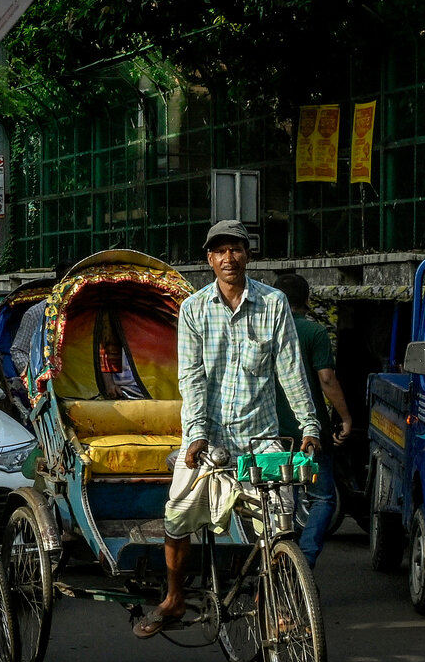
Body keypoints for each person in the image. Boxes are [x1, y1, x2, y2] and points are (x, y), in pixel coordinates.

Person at [134, 220, 321, 638]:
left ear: (247, 254)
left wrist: (310, 425)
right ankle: (174, 597)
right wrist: (197, 432)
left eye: (235, 249)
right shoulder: (194, 309)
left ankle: (267, 604)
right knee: (177, 514)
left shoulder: (274, 305)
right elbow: (192, 378)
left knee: (280, 521)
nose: (228, 258)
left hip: (260, 438)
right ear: (209, 260)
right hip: (209, 437)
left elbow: (290, 370)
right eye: (219, 251)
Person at [272, 272, 353, 568]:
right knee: (322, 498)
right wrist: (345, 417)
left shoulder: (265, 331)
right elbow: (327, 379)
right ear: (306, 301)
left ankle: (281, 555)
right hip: (310, 433)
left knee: (281, 499)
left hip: (271, 432)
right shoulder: (314, 332)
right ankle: (304, 558)